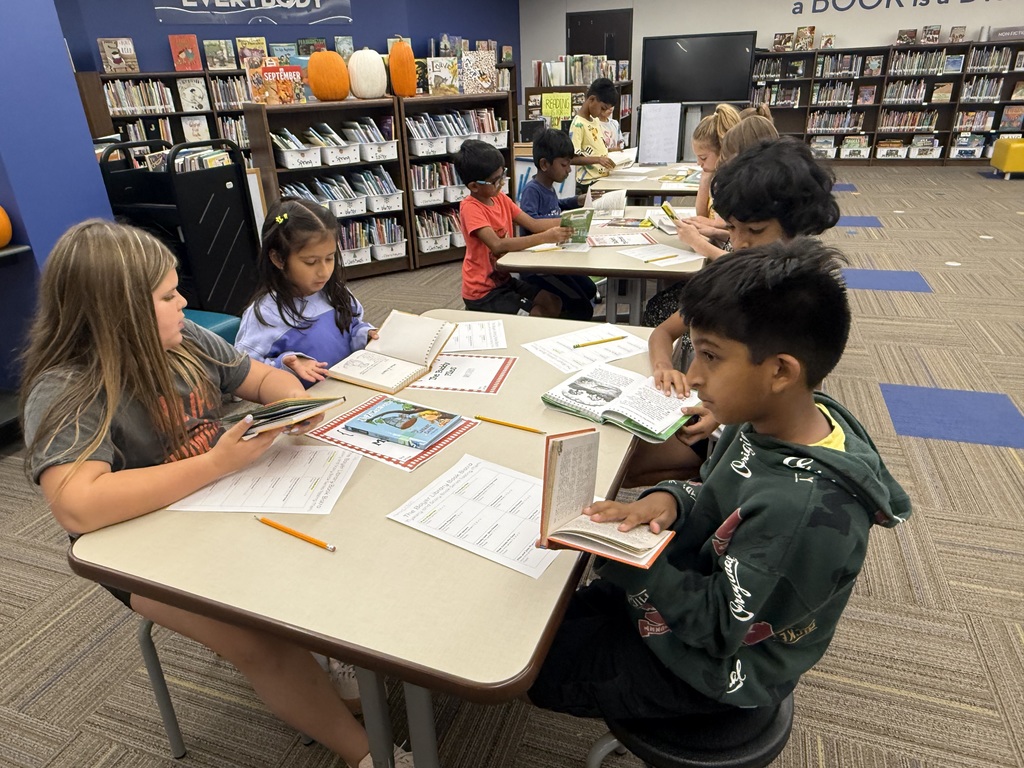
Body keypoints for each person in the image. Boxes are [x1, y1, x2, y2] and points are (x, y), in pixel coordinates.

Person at [19, 220, 412, 768]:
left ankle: (329, 657)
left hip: (220, 499)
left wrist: (291, 406)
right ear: (118, 310)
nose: (184, 302)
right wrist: (214, 463)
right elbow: (79, 503)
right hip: (135, 549)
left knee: (342, 532)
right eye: (167, 295)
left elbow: (261, 379)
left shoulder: (184, 342)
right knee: (260, 640)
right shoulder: (66, 388)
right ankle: (367, 756)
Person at [529, 239, 912, 725]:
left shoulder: (802, 510)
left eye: (710, 356)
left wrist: (630, 564)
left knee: (538, 667)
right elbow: (716, 497)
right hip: (685, 582)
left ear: (779, 371)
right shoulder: (765, 421)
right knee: (542, 617)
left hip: (713, 669)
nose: (692, 377)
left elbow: (720, 627)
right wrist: (670, 500)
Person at [631, 138, 840, 487]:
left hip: (748, 439)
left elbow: (794, 400)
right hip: (720, 421)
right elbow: (664, 331)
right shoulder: (737, 279)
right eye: (731, 228)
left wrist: (718, 414)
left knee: (625, 462)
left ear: (797, 228)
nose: (738, 244)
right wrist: (664, 368)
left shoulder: (803, 300)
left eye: (755, 231)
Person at [234, 198, 377, 387]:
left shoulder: (335, 292)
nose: (324, 271)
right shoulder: (265, 314)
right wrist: (284, 364)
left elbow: (353, 326)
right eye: (311, 262)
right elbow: (242, 370)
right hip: (307, 403)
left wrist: (365, 334)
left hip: (350, 389)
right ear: (278, 259)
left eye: (329, 258)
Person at [453, 139, 573, 317]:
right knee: (538, 313)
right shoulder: (470, 208)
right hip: (483, 292)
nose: (501, 183)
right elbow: (497, 245)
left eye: (503, 175)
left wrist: (567, 221)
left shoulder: (500, 198)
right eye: (495, 180)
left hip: (504, 281)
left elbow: (533, 223)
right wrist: (547, 236)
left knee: (553, 301)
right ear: (474, 186)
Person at [516, 128, 598, 320]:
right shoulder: (532, 190)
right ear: (545, 164)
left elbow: (555, 206)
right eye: (564, 164)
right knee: (583, 308)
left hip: (555, 260)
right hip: (538, 269)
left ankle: (564, 318)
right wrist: (562, 221)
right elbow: (531, 221)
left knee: (589, 288)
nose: (569, 170)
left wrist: (575, 201)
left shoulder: (548, 187)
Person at [569, 77, 619, 194]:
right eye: (602, 108)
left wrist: (611, 151)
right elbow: (571, 158)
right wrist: (598, 160)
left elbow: (595, 148)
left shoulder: (594, 121)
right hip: (588, 182)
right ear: (592, 99)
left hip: (602, 178)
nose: (603, 113)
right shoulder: (578, 124)